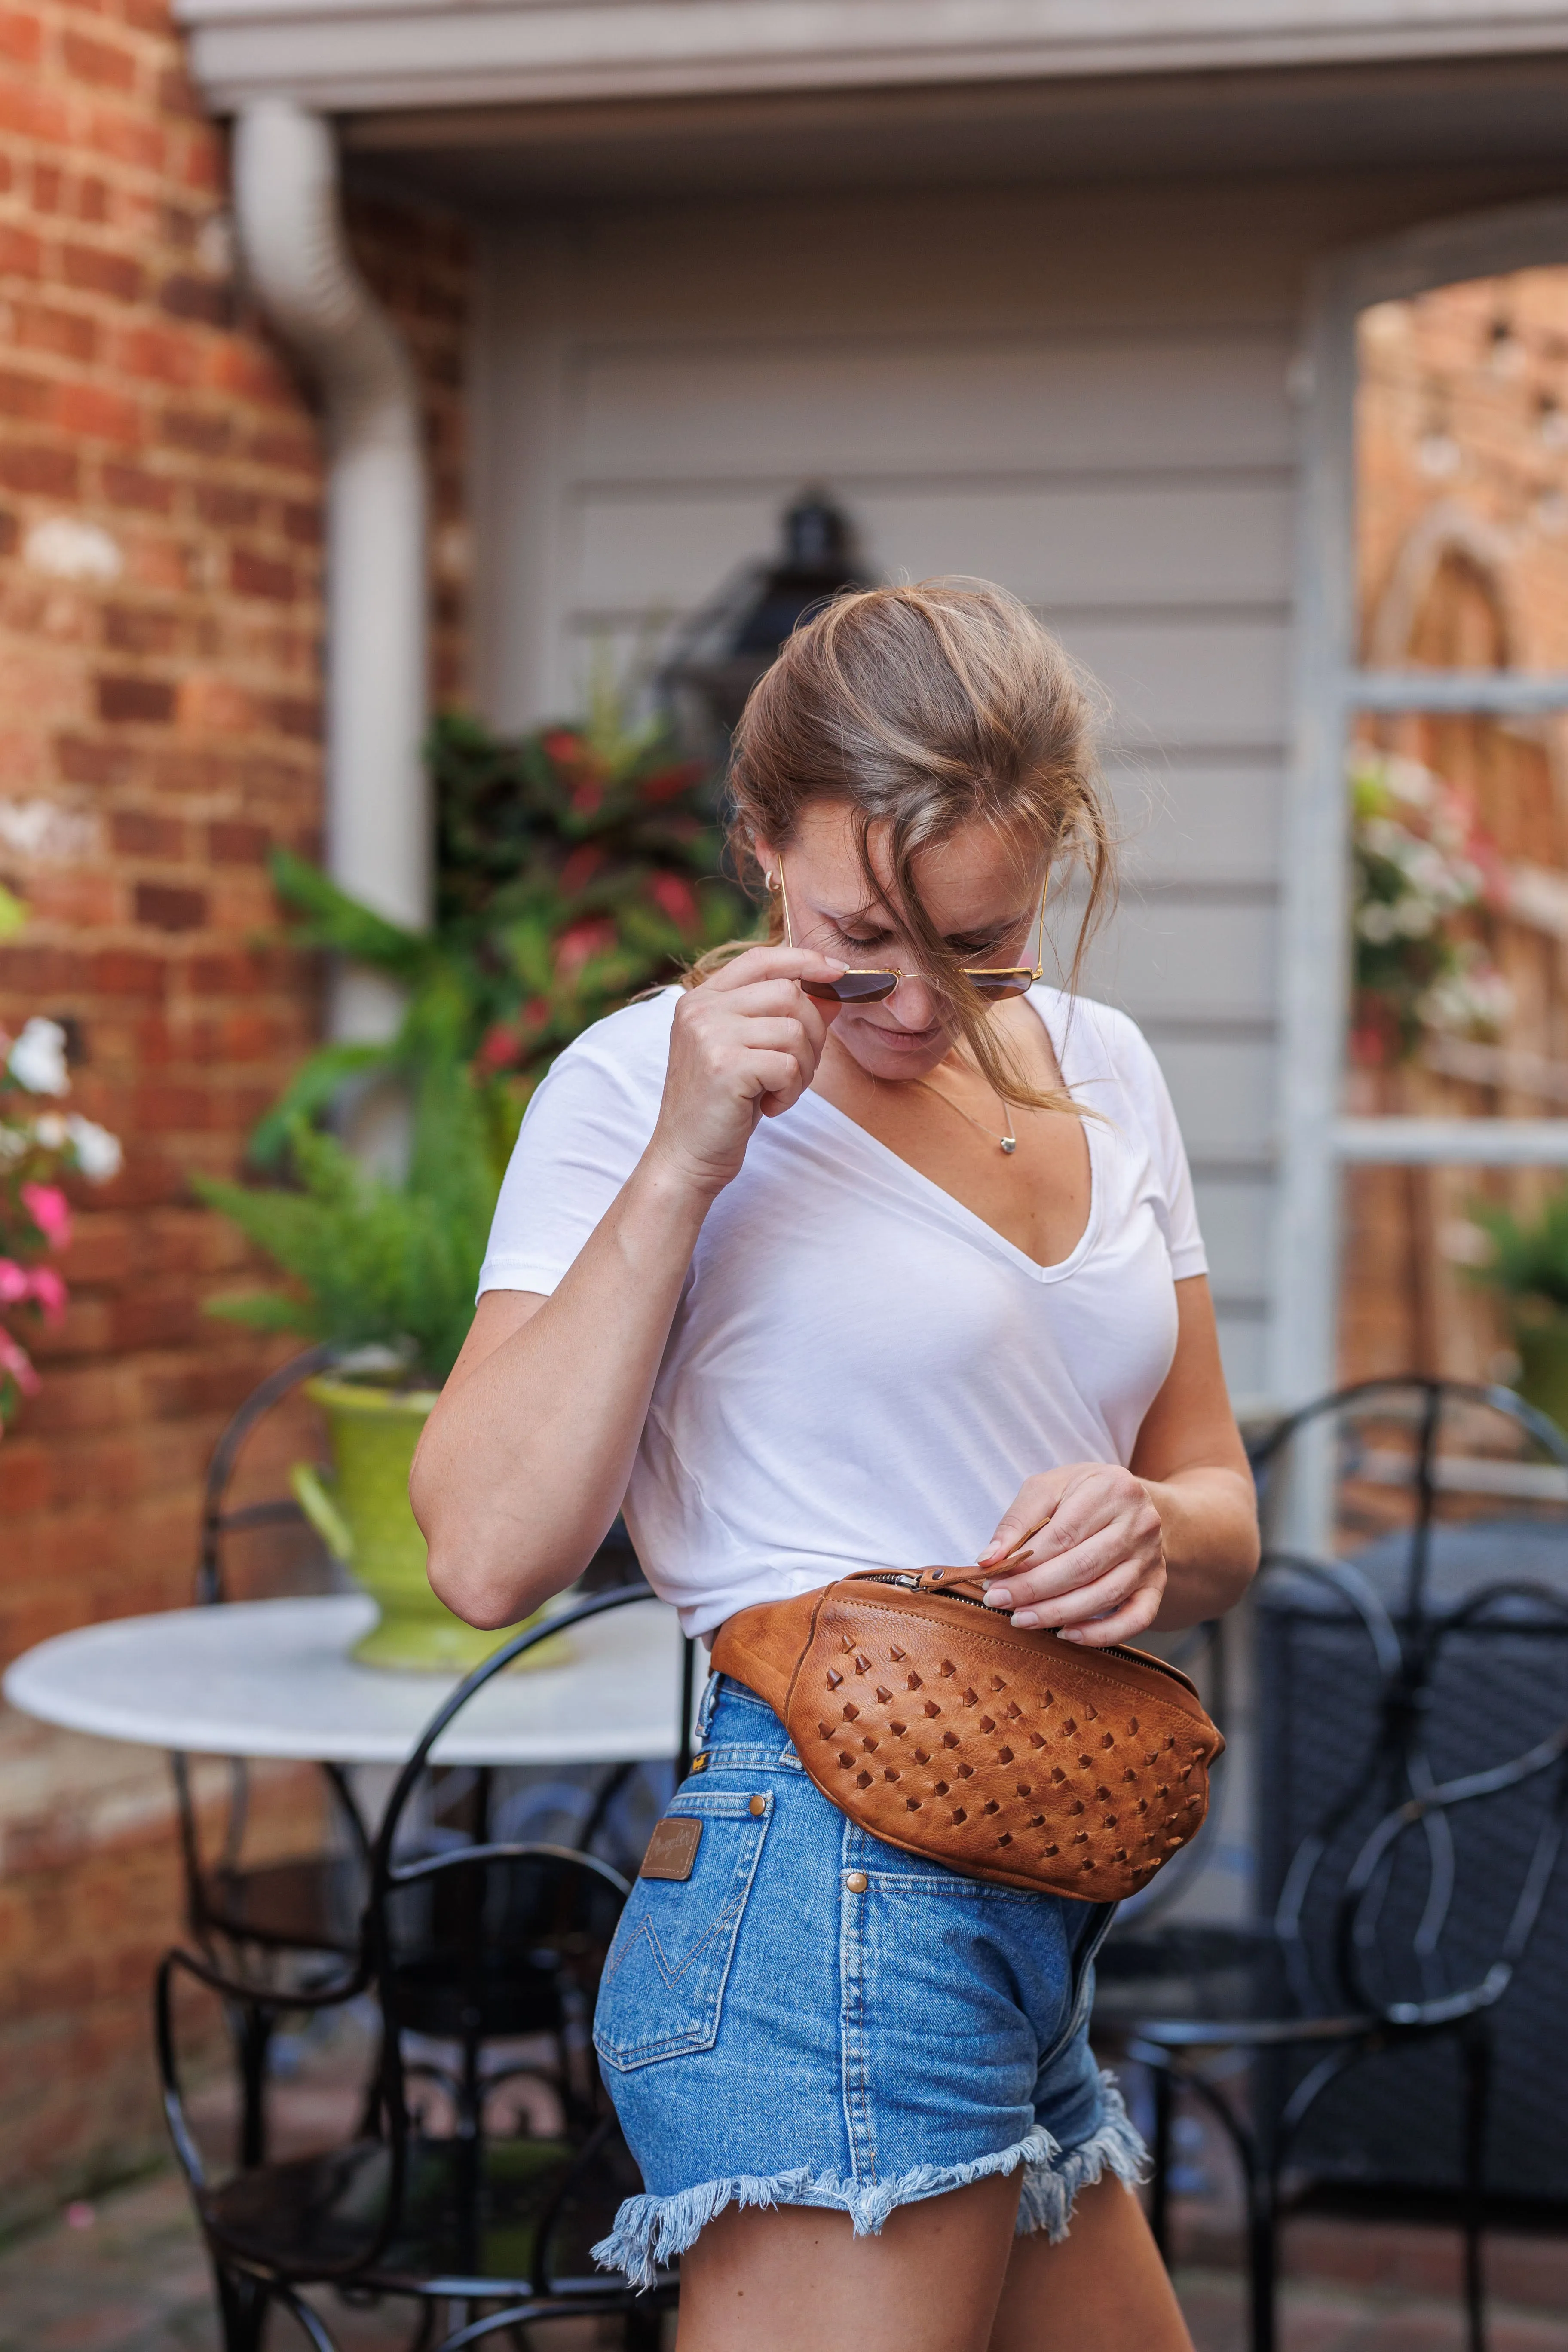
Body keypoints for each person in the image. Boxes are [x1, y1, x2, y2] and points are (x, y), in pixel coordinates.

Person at [411, 580, 1260, 2352]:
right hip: (824, 1889)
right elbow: (488, 1552)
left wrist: (1144, 1526)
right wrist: (684, 1161)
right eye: (864, 944)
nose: (922, 1006)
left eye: (990, 946)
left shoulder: (1107, 1072)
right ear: (755, 845)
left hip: (1035, 1890)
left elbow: (1221, 1511)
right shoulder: (636, 1086)